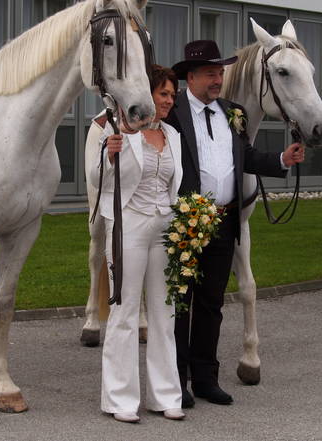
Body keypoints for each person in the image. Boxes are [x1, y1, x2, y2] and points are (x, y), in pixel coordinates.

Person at [164, 40, 305, 408]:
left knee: (212, 302)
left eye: (221, 72)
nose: (218, 79)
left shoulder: (234, 113)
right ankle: (177, 381)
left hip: (225, 222)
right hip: (187, 221)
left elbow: (248, 157)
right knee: (182, 304)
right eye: (211, 73)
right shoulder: (171, 113)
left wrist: (282, 160)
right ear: (190, 77)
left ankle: (206, 377)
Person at [89, 65, 184, 423]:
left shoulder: (172, 134)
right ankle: (120, 398)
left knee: (164, 312)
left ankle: (165, 395)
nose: (169, 101)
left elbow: (176, 184)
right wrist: (109, 155)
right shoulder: (114, 130)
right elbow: (97, 180)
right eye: (163, 94)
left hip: (165, 227)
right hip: (127, 224)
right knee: (125, 310)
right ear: (148, 93)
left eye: (172, 96)